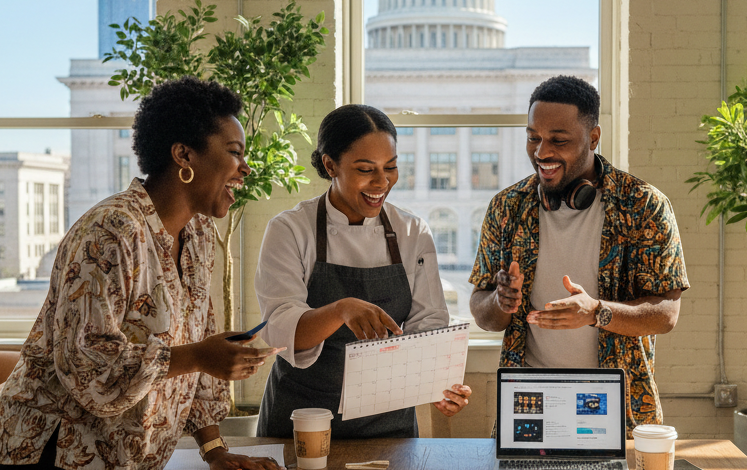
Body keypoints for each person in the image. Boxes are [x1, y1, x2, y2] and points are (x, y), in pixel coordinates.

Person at [0, 77, 284, 470]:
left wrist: (214, 449)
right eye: (233, 152)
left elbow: (197, 342)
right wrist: (197, 357)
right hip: (52, 458)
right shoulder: (111, 231)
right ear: (184, 156)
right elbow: (89, 365)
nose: (244, 169)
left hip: (121, 460)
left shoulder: (200, 233)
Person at [469, 75, 688, 430]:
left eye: (558, 140)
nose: (541, 152)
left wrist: (596, 311)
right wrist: (500, 302)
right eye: (533, 138)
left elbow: (666, 314)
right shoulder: (506, 208)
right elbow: (483, 312)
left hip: (618, 403)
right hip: (528, 400)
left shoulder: (644, 205)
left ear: (594, 138)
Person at [255, 104, 470, 439]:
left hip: (386, 420)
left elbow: (427, 323)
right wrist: (342, 310)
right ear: (330, 165)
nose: (382, 182)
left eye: (392, 167)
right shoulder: (291, 230)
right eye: (366, 169)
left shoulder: (412, 231)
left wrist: (437, 383)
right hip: (303, 418)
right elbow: (282, 331)